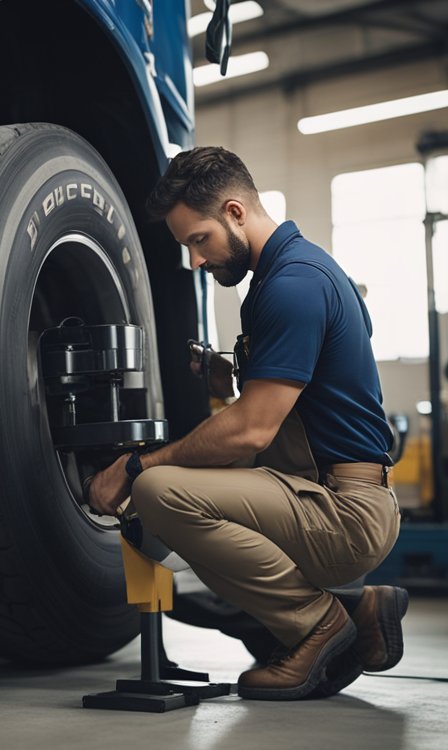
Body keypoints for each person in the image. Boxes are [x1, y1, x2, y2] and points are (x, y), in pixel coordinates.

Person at [87, 146, 406, 700]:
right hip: (318, 490)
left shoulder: (293, 284)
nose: (195, 260)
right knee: (188, 507)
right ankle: (360, 609)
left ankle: (316, 625)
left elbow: (253, 431)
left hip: (344, 509)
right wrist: (230, 375)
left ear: (235, 212)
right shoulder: (291, 274)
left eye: (198, 240)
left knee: (160, 490)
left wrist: (137, 462)